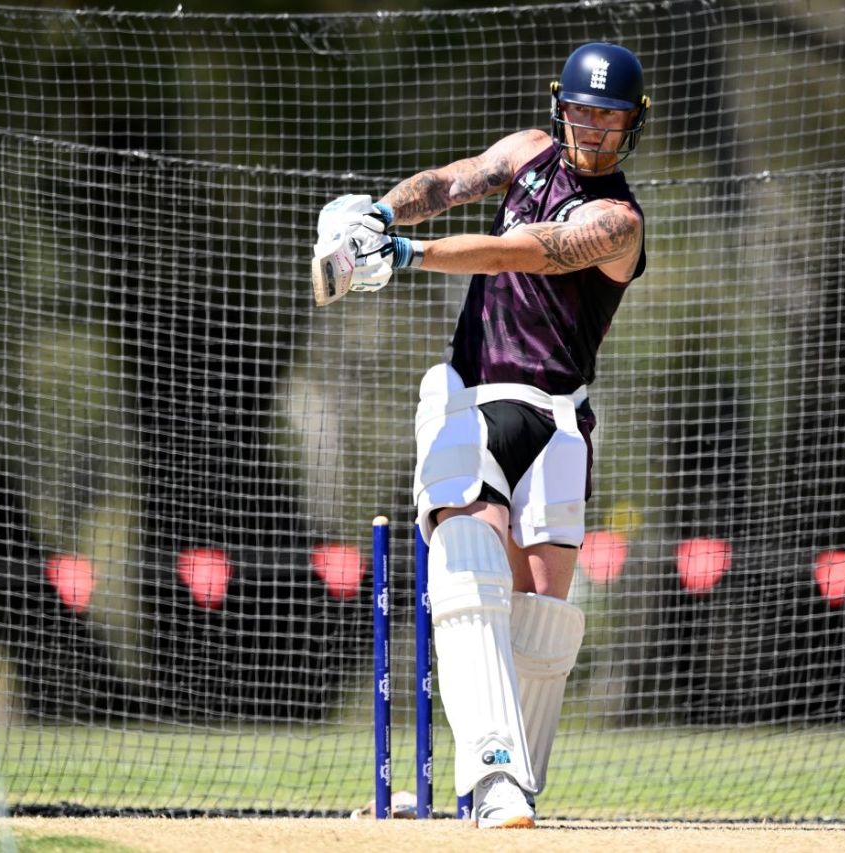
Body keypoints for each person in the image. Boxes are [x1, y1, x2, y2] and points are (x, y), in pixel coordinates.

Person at [315, 42, 650, 828]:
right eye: (581, 110)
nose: (593, 129)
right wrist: (381, 214)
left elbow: (522, 252)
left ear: (634, 123)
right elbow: (453, 181)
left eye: (610, 116)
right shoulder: (529, 152)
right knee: (467, 556)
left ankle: (493, 793)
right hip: (485, 395)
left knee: (541, 623)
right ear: (557, 105)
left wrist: (403, 254)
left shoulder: (618, 221)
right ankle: (493, 772)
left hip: (562, 420)